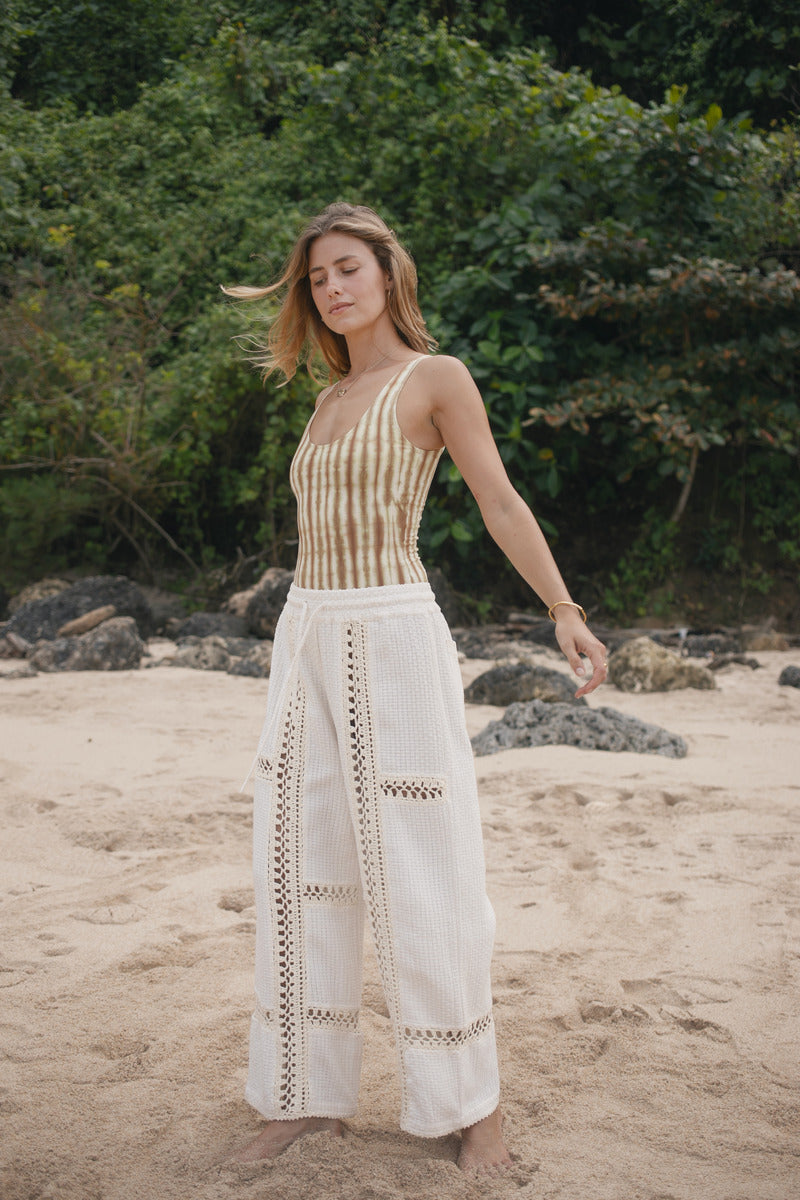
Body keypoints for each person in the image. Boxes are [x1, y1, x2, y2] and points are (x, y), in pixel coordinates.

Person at [223, 202, 607, 1175]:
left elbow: (497, 499)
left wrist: (561, 608)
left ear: (388, 272)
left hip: (392, 632)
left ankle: (472, 1109)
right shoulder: (324, 401)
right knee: (296, 863)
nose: (332, 289)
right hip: (306, 632)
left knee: (423, 869)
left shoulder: (434, 379)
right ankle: (307, 1094)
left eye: (347, 268)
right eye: (316, 279)